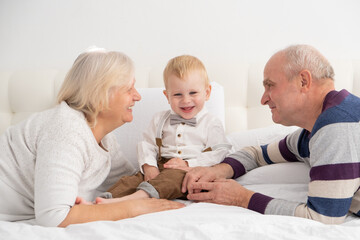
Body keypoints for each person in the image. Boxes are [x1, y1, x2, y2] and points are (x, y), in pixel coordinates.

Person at [175, 44, 360, 224]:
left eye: (270, 86)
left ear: (303, 81)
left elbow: (322, 219)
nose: (263, 99)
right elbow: (258, 154)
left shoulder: (336, 124)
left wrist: (242, 198)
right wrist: (217, 170)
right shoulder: (314, 132)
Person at [0, 48, 184, 227]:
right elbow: (53, 217)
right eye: (129, 89)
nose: (137, 96)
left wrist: (179, 172)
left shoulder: (103, 138)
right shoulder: (66, 130)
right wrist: (133, 207)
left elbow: (126, 182)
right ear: (100, 95)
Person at [96, 55, 231, 203]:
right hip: (160, 166)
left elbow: (220, 152)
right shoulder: (160, 119)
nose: (186, 100)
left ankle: (137, 198)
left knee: (171, 179)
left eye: (193, 93)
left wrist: (188, 164)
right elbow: (147, 145)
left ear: (207, 92)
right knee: (131, 180)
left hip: (189, 172)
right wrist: (149, 167)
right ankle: (104, 199)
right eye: (177, 94)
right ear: (167, 96)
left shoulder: (211, 123)